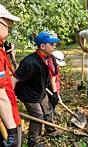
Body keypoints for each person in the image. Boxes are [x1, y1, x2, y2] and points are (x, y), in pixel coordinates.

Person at [12, 32, 60, 147]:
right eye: (51, 44)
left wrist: (54, 93)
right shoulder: (29, 62)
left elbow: (52, 76)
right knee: (38, 116)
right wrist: (10, 98)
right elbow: (13, 79)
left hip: (41, 90)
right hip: (27, 94)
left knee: (48, 109)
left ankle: (51, 130)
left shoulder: (51, 59)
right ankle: (33, 142)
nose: (54, 46)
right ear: (42, 46)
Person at [0, 4, 22, 147]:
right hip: (6, 120)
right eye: (8, 25)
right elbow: (0, 96)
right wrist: (12, 130)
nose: (9, 29)